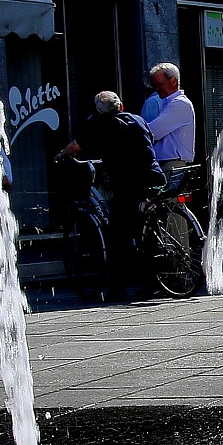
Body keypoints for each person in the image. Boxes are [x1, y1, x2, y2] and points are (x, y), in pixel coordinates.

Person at [64, 91, 161, 299]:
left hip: (128, 183)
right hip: (153, 177)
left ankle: (118, 288)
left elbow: (77, 146)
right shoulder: (137, 120)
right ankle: (154, 281)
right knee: (143, 230)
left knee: (118, 235)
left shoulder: (100, 125)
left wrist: (61, 154)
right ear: (121, 107)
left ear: (99, 111)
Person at [142, 63, 197, 173]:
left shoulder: (180, 103)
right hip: (167, 164)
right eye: (154, 85)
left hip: (172, 165)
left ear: (173, 81)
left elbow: (153, 132)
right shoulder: (167, 102)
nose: (156, 88)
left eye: (159, 84)